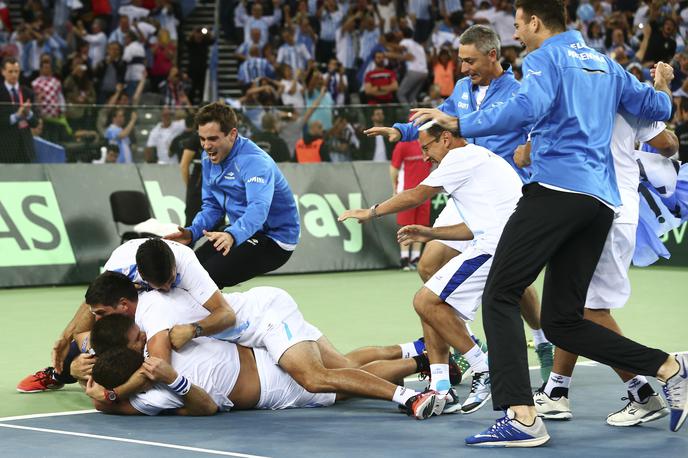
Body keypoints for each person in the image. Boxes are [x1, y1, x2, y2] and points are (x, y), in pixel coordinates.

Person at [409, 0, 687, 446]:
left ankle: (521, 416)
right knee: (561, 321)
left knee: (501, 291)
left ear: (535, 21)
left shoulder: (544, 58)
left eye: (518, 25)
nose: (517, 34)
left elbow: (521, 109)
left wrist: (459, 120)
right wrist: (663, 83)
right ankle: (669, 368)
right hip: (600, 203)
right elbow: (656, 106)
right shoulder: (606, 64)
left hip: (556, 190)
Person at [365, 24, 555, 382]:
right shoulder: (463, 89)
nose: (464, 69)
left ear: (493, 55)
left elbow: (530, 134)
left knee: (512, 278)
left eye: (470, 61)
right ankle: (465, 341)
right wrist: (402, 131)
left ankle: (544, 342)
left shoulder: (516, 92)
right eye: (461, 61)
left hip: (501, 195)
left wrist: (528, 155)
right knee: (429, 264)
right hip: (464, 190)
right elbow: (440, 120)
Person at [340, 121, 525, 415]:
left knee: (425, 300)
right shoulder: (476, 160)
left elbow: (416, 194)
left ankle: (483, 368)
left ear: (447, 139)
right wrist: (431, 233)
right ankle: (441, 388)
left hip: (498, 246)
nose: (425, 157)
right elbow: (474, 227)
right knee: (429, 300)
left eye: (427, 148)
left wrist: (371, 212)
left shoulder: (460, 157)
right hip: (496, 241)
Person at [86, 274, 447, 419]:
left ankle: (410, 394)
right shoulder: (152, 392)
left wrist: (112, 390)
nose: (145, 336)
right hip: (270, 383)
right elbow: (205, 406)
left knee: (326, 376)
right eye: (137, 338)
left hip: (263, 329)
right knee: (341, 373)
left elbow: (117, 392)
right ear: (127, 351)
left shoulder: (155, 330)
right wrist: (114, 394)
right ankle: (425, 361)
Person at [532, 116, 679, 426]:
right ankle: (556, 391)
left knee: (590, 310)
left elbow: (525, 154)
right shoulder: (628, 97)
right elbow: (668, 143)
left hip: (599, 211)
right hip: (611, 210)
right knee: (572, 307)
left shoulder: (574, 97)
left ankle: (645, 390)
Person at [16, 239, 237, 394]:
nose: (167, 287)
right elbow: (96, 300)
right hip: (134, 303)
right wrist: (67, 338)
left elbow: (226, 313)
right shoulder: (121, 263)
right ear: (141, 274)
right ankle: (59, 373)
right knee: (98, 337)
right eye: (160, 285)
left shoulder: (187, 263)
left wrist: (194, 329)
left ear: (174, 268)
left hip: (181, 306)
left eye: (171, 280)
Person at [165, 103, 300, 287]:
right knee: (187, 272)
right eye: (202, 139)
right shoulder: (208, 160)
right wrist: (192, 232)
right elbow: (212, 207)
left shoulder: (255, 162)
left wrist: (232, 235)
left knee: (204, 279)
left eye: (212, 138)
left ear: (233, 134)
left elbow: (258, 210)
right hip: (240, 231)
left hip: (274, 239)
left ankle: (219, 314)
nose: (206, 146)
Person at [389, 140, 432, 270]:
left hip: (425, 190)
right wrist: (394, 188)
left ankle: (415, 258)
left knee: (421, 225)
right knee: (405, 225)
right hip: (406, 191)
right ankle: (404, 259)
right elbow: (394, 168)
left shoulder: (429, 142)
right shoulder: (402, 145)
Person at [0, 56, 39, 163]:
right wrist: (16, 117)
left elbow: (35, 122)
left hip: (25, 148)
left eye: (16, 71)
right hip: (5, 148)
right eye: (10, 71)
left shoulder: (28, 92)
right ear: (3, 72)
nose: (14, 75)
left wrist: (28, 113)